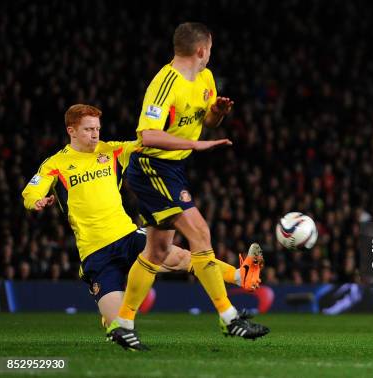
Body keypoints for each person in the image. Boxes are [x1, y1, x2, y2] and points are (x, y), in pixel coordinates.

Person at [22, 104, 262, 346]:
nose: (95, 134)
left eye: (97, 129)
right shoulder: (55, 164)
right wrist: (37, 201)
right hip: (95, 252)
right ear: (71, 131)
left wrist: (189, 130)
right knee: (119, 331)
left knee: (179, 257)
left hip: (127, 235)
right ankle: (111, 321)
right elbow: (30, 192)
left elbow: (147, 143)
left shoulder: (112, 150)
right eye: (88, 130)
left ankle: (241, 276)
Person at [109, 22, 268, 349]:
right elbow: (147, 135)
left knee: (157, 251)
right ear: (201, 50)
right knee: (199, 233)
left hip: (173, 167)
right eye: (210, 48)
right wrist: (197, 145)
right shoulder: (165, 83)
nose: (210, 53)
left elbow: (204, 120)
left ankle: (122, 323)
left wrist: (216, 116)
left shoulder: (207, 79)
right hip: (153, 166)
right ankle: (229, 318)